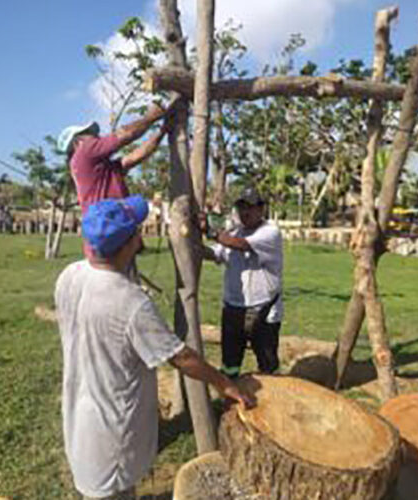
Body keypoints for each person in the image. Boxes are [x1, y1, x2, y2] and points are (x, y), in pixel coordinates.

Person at [54, 195, 251, 500]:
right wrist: (225, 384)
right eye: (136, 229)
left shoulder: (70, 276)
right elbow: (181, 358)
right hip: (112, 434)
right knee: (113, 492)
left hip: (81, 417)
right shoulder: (130, 302)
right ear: (131, 242)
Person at [57, 101, 176, 256]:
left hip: (112, 232)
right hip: (107, 230)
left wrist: (162, 130)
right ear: (77, 142)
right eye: (90, 135)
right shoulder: (84, 152)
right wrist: (151, 117)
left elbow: (134, 157)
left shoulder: (100, 169)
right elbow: (125, 134)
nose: (97, 137)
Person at [202, 186, 283, 379]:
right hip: (233, 309)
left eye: (251, 207)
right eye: (241, 207)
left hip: (263, 311)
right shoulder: (235, 232)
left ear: (261, 209)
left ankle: (272, 404)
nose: (245, 212)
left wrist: (211, 232)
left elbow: (242, 245)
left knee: (268, 366)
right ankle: (231, 403)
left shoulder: (270, 232)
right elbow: (215, 253)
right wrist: (193, 245)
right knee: (230, 367)